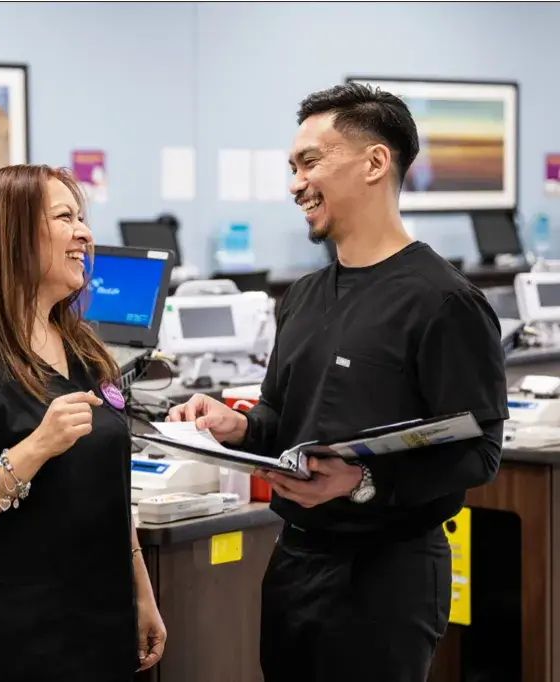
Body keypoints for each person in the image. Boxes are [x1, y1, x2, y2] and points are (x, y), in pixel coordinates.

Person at [167, 83, 508, 681]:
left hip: (388, 577)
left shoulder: (444, 302)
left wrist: (365, 481)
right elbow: (282, 420)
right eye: (292, 167)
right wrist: (239, 425)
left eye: (310, 162)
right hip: (297, 562)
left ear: (376, 163)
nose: (295, 183)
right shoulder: (301, 297)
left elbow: (479, 452)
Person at [0, 164, 166, 682]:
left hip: (97, 623)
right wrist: (36, 447)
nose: (85, 233)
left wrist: (141, 590)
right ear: (13, 235)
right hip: (4, 637)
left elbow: (108, 489)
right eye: (65, 217)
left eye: (83, 218)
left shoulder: (85, 349)